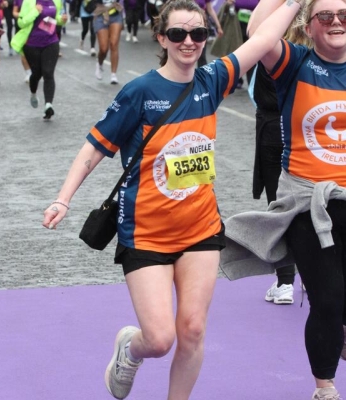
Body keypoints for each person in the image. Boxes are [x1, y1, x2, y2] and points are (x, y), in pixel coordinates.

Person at [42, 0, 304, 398]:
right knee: (160, 338)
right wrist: (63, 199)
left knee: (193, 330)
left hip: (200, 228)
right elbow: (94, 148)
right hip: (145, 234)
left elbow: (264, 37)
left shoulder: (213, 80)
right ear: (162, 38)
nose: (189, 42)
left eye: (198, 33)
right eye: (178, 33)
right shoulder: (141, 91)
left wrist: (297, 2)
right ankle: (131, 349)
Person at [220, 0, 346, 398]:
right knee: (328, 300)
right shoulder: (296, 64)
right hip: (308, 205)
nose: (336, 22)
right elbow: (259, 32)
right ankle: (325, 388)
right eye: (325, 16)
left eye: (344, 15)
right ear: (308, 27)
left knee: (339, 308)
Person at [252, 24, 313, 305]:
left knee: (279, 207)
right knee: (313, 205)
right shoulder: (318, 59)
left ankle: (285, 281)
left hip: (275, 132)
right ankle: (312, 274)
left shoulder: (274, 57)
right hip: (308, 135)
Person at [10, 0, 68, 119]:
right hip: (32, 44)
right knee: (36, 74)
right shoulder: (29, 2)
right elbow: (21, 23)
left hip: (51, 42)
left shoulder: (56, 1)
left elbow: (55, 18)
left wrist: (62, 20)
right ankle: (33, 93)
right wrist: (35, 12)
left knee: (48, 72)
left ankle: (48, 105)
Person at [93, 0, 123, 84]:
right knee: (103, 48)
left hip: (115, 14)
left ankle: (113, 74)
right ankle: (99, 63)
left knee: (114, 44)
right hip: (100, 14)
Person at [194, 0, 223, 67]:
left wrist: (218, 26)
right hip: (187, 25)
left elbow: (210, 10)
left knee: (202, 54)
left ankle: (202, 72)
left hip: (201, 25)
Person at [12, 0, 32, 82]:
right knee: (24, 51)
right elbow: (14, 12)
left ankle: (36, 71)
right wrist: (23, 15)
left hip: (35, 27)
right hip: (22, 27)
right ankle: (28, 73)